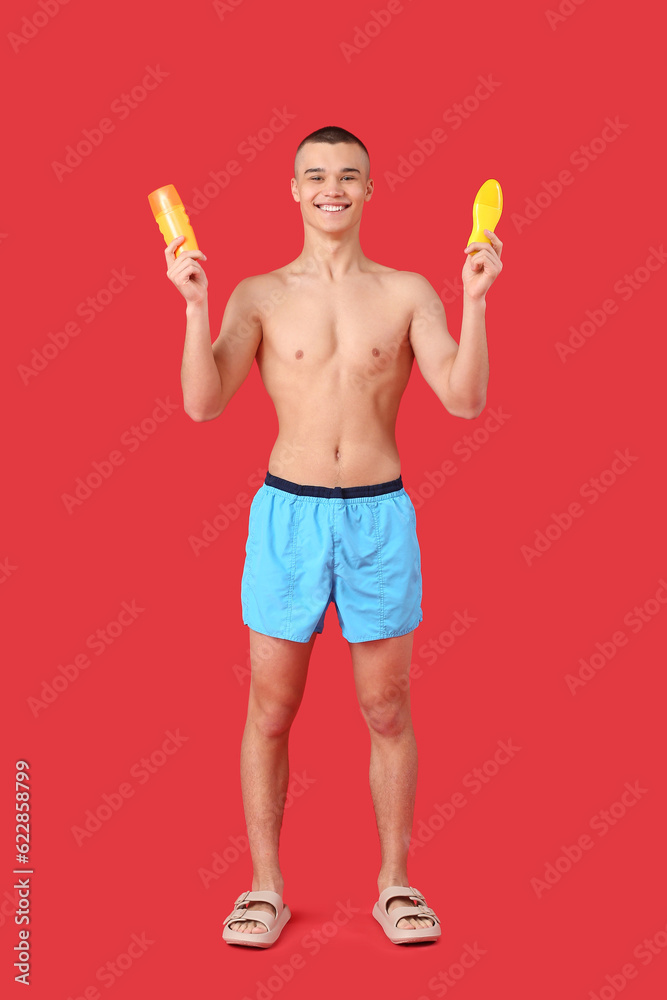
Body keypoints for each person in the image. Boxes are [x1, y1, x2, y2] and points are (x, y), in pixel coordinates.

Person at [165, 125, 503, 947]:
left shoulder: (406, 290)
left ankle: (395, 882)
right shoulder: (256, 293)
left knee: (386, 708)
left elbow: (463, 401)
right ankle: (264, 888)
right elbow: (203, 405)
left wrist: (475, 297)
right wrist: (196, 303)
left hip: (378, 516)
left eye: (348, 176)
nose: (332, 189)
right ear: (292, 188)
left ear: (370, 190)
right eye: (316, 175)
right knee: (271, 709)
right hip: (288, 514)